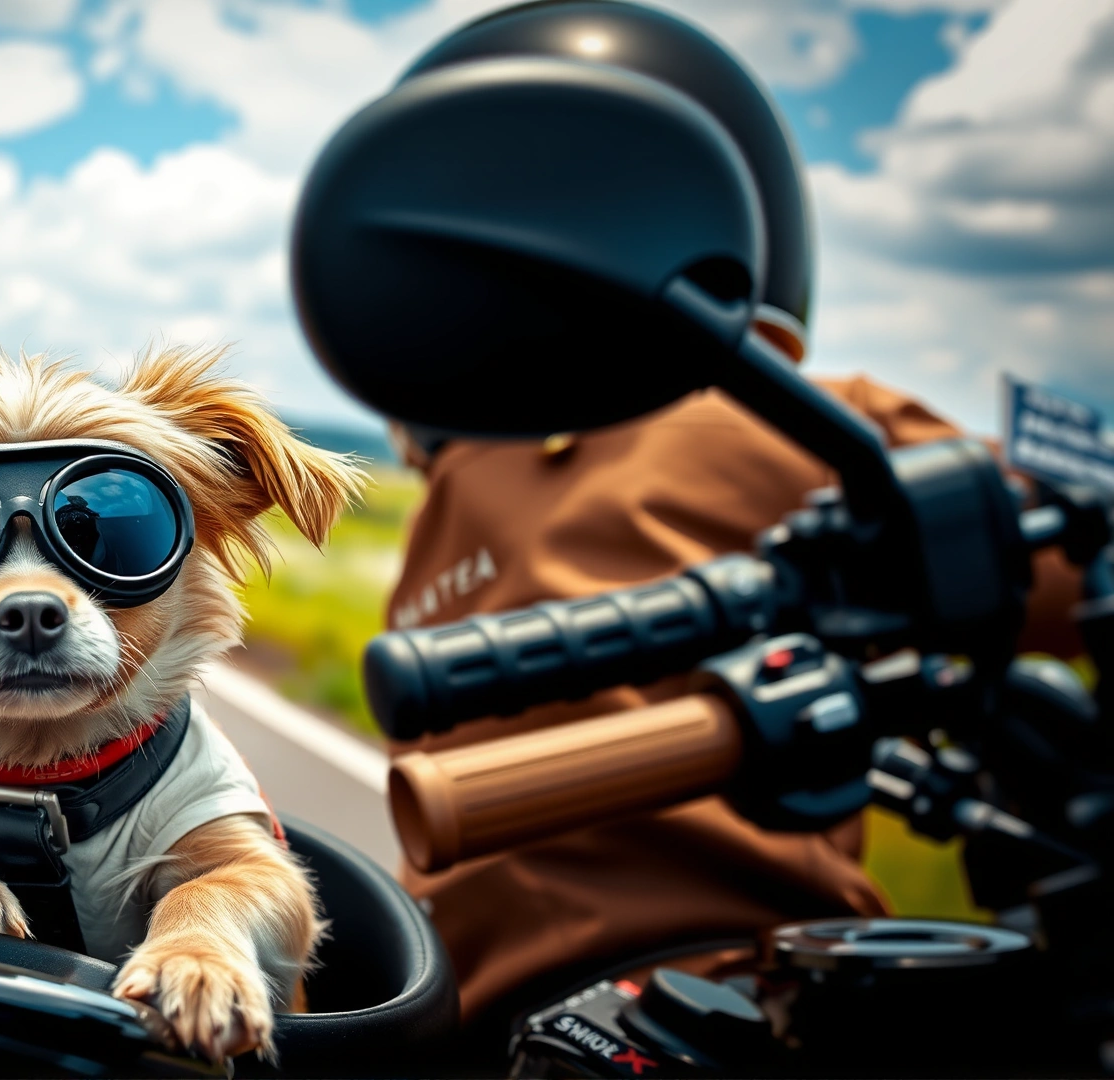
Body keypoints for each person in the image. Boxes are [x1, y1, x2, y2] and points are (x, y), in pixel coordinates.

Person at [374, 0, 1087, 1042]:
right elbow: (1066, 552)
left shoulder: (474, 487)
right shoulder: (802, 429)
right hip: (681, 1002)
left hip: (518, 1019)